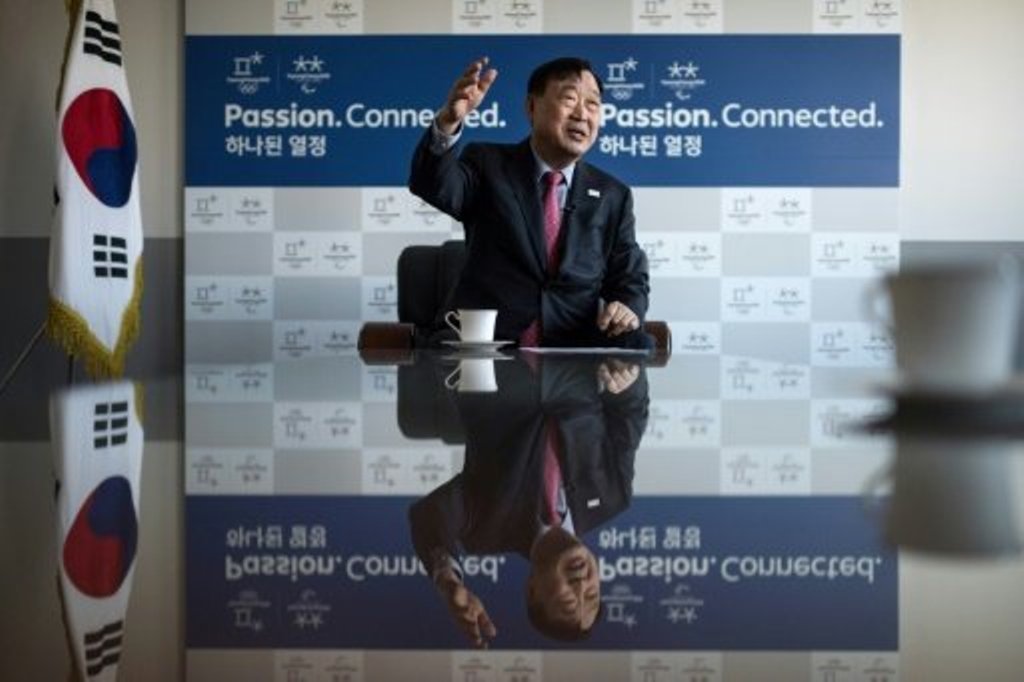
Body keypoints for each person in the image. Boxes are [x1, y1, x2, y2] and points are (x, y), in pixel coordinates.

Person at [409, 56, 652, 348]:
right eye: (569, 98)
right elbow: (434, 186)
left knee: (639, 344)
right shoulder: (487, 164)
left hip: (573, 356)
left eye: (593, 104)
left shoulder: (613, 195)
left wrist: (627, 306)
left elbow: (629, 276)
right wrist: (449, 120)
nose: (582, 114)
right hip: (486, 350)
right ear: (532, 107)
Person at [407, 355, 649, 645]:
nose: (582, 584)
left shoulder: (485, 529)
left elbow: (428, 515)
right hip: (572, 340)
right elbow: (629, 414)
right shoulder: (613, 497)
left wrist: (447, 581)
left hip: (499, 349)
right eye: (592, 594)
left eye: (569, 602)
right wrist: (627, 380)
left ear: (533, 590)